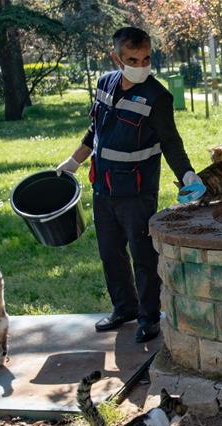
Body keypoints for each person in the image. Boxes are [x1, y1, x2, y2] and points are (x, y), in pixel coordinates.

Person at [57, 27, 200, 343]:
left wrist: (188, 175)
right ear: (116, 59)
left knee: (143, 257)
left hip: (136, 191)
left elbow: (171, 143)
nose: (142, 65)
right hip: (103, 188)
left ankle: (149, 318)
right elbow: (95, 129)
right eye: (133, 59)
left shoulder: (157, 96)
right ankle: (124, 308)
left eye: (146, 58)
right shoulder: (105, 84)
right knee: (110, 252)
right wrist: (75, 160)